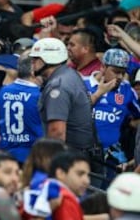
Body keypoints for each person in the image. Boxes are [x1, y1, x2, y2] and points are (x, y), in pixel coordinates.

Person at [29, 38, 104, 186]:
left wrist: (51, 167)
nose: (32, 64)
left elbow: (57, 132)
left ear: (48, 59)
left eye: (36, 59)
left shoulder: (58, 86)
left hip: (71, 159)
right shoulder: (70, 75)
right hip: (83, 154)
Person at [0, 57, 43, 163]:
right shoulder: (38, 95)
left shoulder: (3, 91)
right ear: (33, 71)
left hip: (6, 154)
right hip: (31, 155)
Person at [48, 151, 91, 220]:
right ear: (60, 173)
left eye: (88, 175)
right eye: (80, 174)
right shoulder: (64, 199)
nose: (87, 181)